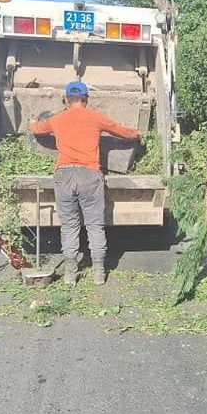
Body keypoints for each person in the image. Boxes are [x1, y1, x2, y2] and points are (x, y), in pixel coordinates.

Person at [30, 81, 140, 286]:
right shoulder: (96, 117)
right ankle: (99, 272)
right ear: (86, 100)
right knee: (95, 226)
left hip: (64, 175)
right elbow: (122, 131)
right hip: (90, 175)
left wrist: (32, 121)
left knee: (70, 225)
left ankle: (71, 273)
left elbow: (37, 129)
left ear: (66, 100)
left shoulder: (57, 119)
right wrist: (137, 133)